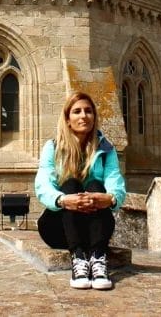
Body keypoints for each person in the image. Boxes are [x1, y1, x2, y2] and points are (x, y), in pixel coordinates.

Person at [34, 92, 126, 290]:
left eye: (88, 111)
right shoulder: (52, 147)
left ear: (94, 117)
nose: (83, 116)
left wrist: (109, 199)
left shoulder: (106, 149)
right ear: (67, 119)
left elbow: (115, 181)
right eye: (77, 111)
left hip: (94, 229)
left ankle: (97, 258)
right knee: (70, 185)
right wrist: (63, 200)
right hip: (58, 228)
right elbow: (42, 184)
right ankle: (78, 258)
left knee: (94, 186)